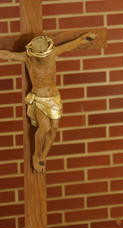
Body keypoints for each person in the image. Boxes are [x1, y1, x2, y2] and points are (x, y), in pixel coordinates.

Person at [0, 32, 96, 173]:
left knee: (54, 129)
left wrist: (82, 39)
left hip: (54, 98)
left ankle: (43, 155)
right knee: (44, 128)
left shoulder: (53, 53)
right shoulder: (28, 58)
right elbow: (8, 55)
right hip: (39, 98)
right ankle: (36, 153)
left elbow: (68, 46)